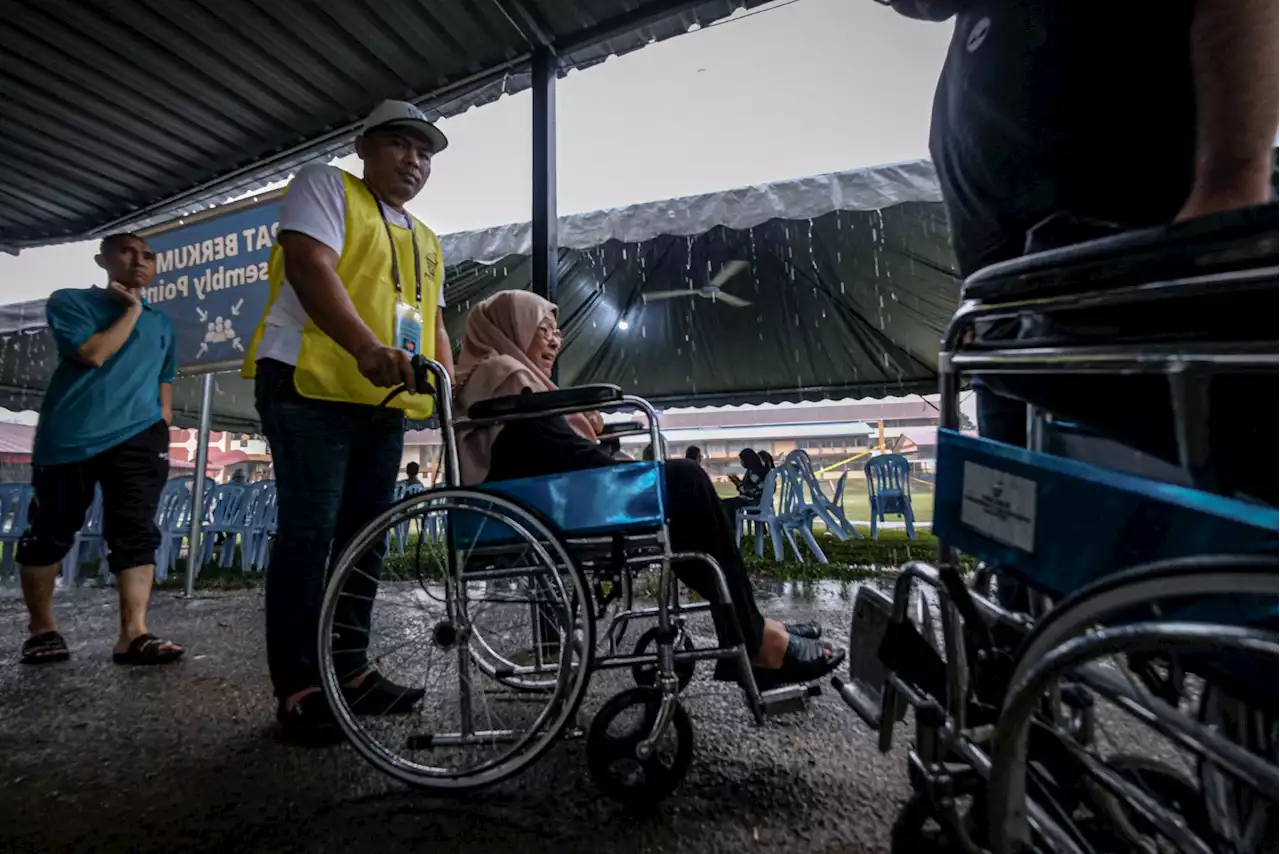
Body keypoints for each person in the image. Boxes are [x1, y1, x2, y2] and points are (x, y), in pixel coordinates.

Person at [890, 0, 1280, 504]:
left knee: (1159, 553)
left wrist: (1231, 183)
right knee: (1026, 558)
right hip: (1008, 340)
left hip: (1134, 321)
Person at [453, 290, 840, 688]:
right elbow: (559, 453)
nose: (554, 340)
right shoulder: (503, 373)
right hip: (551, 503)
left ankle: (752, 632)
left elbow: (555, 449)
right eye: (543, 329)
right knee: (686, 481)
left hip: (558, 497)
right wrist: (625, 469)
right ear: (509, 329)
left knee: (685, 500)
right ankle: (754, 639)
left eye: (557, 332)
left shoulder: (506, 377)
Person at [241, 100, 454, 746]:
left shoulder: (426, 239)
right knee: (310, 530)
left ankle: (351, 670)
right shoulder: (325, 186)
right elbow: (310, 266)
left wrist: (452, 392)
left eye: (425, 151)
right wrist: (365, 348)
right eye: (399, 143)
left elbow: (436, 324)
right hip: (310, 386)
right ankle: (300, 686)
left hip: (378, 404)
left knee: (367, 534)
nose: (413, 159)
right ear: (363, 145)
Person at [17, 233, 184, 666]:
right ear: (102, 259)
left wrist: (161, 420)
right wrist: (129, 309)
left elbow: (165, 375)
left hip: (139, 438)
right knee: (51, 530)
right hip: (71, 436)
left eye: (149, 255)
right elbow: (94, 353)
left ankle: (134, 634)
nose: (139, 261)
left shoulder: (161, 321)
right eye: (128, 251)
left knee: (136, 530)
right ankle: (42, 630)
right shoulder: (70, 301)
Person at [723, 448, 768, 516]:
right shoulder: (758, 469)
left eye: (741, 460)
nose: (741, 462)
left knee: (724, 505)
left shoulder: (753, 473)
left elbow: (751, 491)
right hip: (757, 500)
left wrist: (737, 483)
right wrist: (737, 481)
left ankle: (731, 526)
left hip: (753, 501)